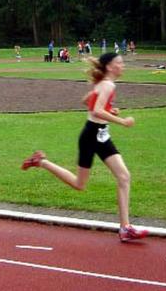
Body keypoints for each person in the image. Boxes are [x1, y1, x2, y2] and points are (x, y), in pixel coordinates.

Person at [21, 52, 149, 242]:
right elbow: (96, 109)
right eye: (119, 63)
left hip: (101, 135)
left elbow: (87, 102)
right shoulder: (107, 84)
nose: (123, 66)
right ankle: (42, 162)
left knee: (124, 176)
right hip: (91, 135)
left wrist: (108, 109)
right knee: (79, 184)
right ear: (109, 67)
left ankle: (125, 228)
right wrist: (122, 121)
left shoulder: (103, 84)